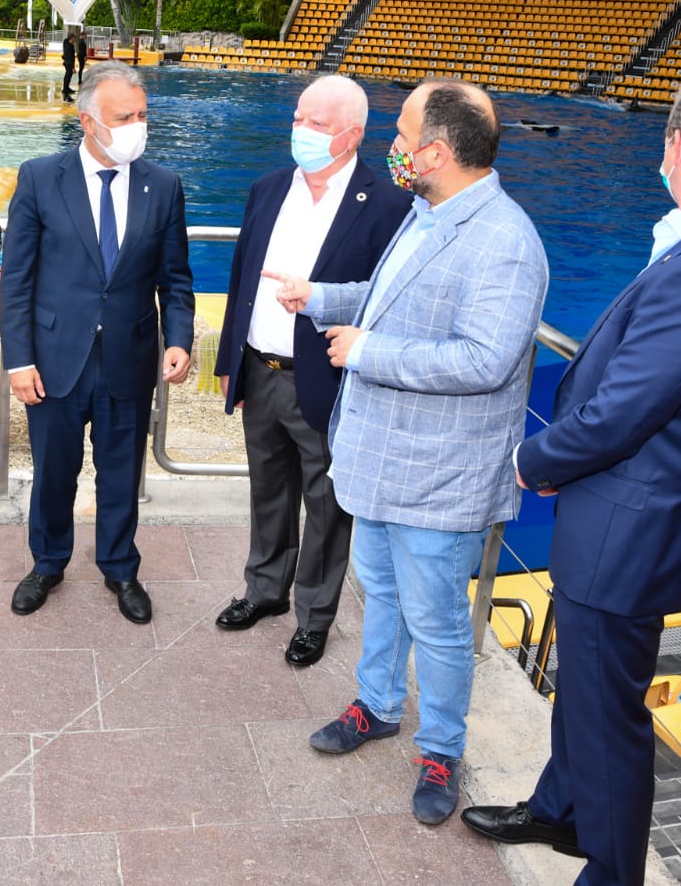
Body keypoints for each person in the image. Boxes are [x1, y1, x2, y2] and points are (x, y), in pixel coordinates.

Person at [462, 65, 681, 886]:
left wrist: (531, 458)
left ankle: (611, 871)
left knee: (609, 717)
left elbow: (622, 414)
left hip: (627, 527)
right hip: (623, 514)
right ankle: (562, 806)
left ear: (679, 144)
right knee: (587, 689)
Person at [268, 78, 548, 825]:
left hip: (441, 477)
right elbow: (388, 296)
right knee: (382, 595)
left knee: (439, 621)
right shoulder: (428, 211)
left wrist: (368, 351)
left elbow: (483, 360)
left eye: (399, 139)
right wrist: (321, 297)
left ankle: (441, 748)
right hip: (382, 460)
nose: (390, 150)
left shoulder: (506, 241)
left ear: (436, 151)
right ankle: (378, 703)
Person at [213, 75, 408, 667]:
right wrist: (230, 362)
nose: (301, 130)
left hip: (328, 379)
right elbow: (242, 276)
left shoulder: (389, 205)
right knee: (268, 488)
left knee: (327, 501)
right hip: (260, 368)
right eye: (299, 118)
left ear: (351, 135)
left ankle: (314, 615)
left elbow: (385, 298)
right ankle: (265, 590)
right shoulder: (268, 188)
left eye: (317, 124)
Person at [0, 60, 195, 623]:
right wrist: (19, 360)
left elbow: (175, 278)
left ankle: (119, 567)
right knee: (54, 473)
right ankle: (48, 563)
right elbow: (18, 280)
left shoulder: (164, 185)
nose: (138, 125)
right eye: (123, 116)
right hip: (56, 360)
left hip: (130, 361)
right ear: (88, 120)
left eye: (142, 115)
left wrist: (177, 338)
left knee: (120, 474)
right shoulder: (40, 177)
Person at [60, 27, 79, 102]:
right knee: (67, 78)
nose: (75, 40)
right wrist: (73, 68)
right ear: (71, 38)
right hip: (69, 64)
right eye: (74, 38)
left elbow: (65, 40)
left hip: (66, 63)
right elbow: (72, 59)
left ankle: (66, 89)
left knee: (67, 77)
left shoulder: (66, 42)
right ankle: (66, 94)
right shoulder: (70, 46)